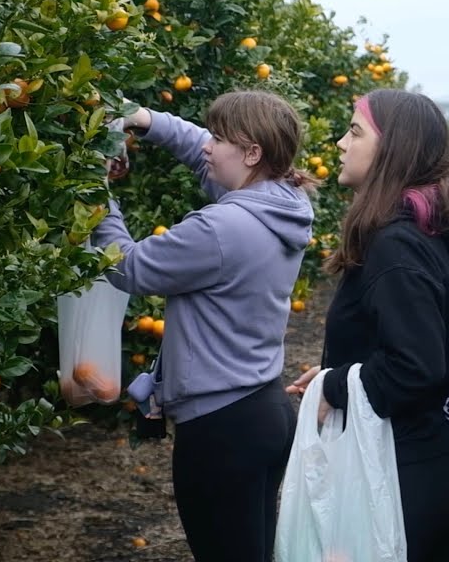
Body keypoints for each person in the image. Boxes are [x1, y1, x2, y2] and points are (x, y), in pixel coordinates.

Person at [93, 89, 315, 562]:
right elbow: (200, 154)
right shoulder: (280, 201)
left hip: (221, 430)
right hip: (263, 410)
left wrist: (97, 195)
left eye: (219, 138)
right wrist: (146, 120)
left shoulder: (221, 228)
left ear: (253, 153)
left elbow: (128, 268)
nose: (207, 146)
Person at [286, 88, 449, 562]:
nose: (340, 142)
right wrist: (340, 373)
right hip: (407, 463)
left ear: (394, 148)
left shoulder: (396, 245)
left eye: (354, 131)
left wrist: (335, 386)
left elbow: (416, 367)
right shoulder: (406, 234)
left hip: (402, 476)